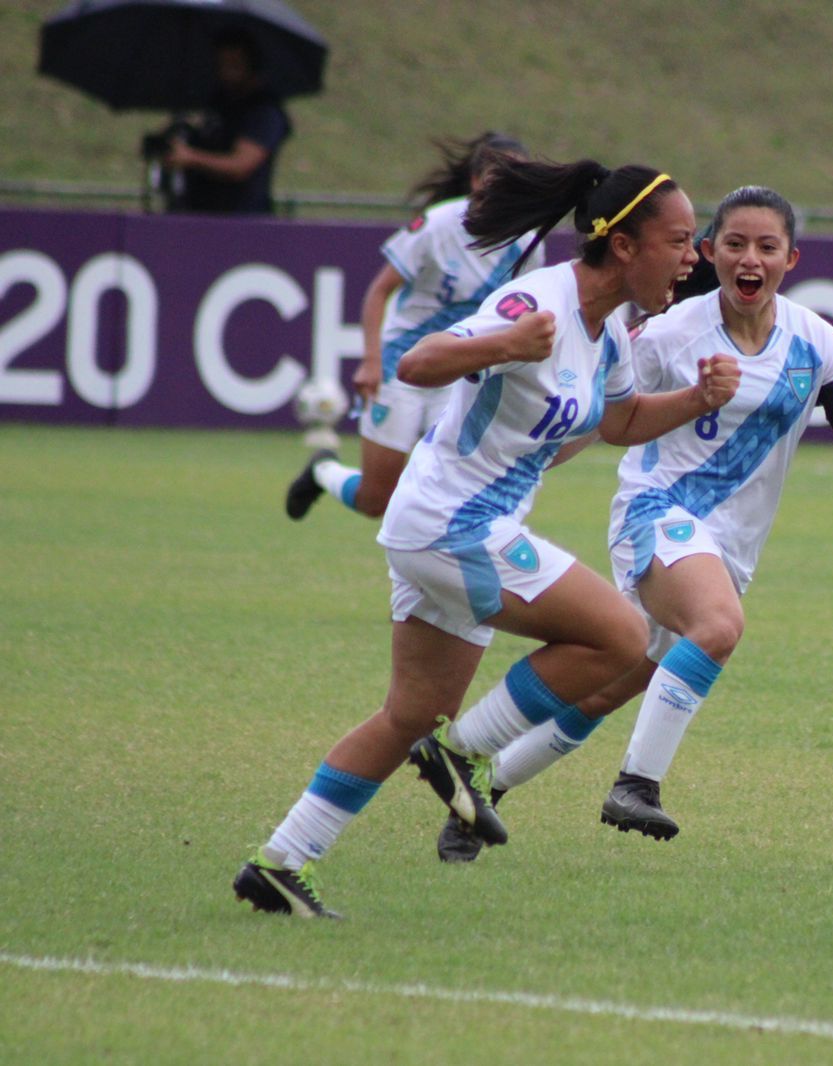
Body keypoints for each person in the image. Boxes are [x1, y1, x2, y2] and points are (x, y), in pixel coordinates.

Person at [233, 160, 740, 917]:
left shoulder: (607, 336)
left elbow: (621, 423)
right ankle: (464, 755)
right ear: (626, 246)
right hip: (451, 524)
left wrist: (696, 398)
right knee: (621, 636)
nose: (693, 255)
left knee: (409, 713)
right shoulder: (537, 301)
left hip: (459, 526)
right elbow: (418, 361)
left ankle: (279, 862)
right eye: (679, 240)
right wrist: (501, 345)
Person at [433, 185, 833, 862]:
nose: (749, 258)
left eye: (766, 246)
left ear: (791, 258)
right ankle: (636, 785)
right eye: (734, 243)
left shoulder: (817, 340)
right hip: (657, 512)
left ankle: (485, 787)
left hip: (731, 545)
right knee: (718, 626)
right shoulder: (669, 333)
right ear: (707, 253)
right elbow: (605, 411)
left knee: (620, 679)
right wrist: (530, 463)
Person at [284, 132, 543, 521]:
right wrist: (371, 361)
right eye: (498, 175)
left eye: (518, 177)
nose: (509, 185)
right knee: (377, 501)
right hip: (401, 364)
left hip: (458, 370)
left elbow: (522, 315)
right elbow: (379, 291)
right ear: (476, 181)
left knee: (446, 492)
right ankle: (323, 469)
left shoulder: (527, 242)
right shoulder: (437, 226)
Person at [162, 28, 291, 214]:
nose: (226, 72)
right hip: (198, 212)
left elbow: (240, 165)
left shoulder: (264, 112)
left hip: (241, 222)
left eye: (234, 64)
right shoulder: (217, 104)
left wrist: (191, 157)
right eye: (221, 64)